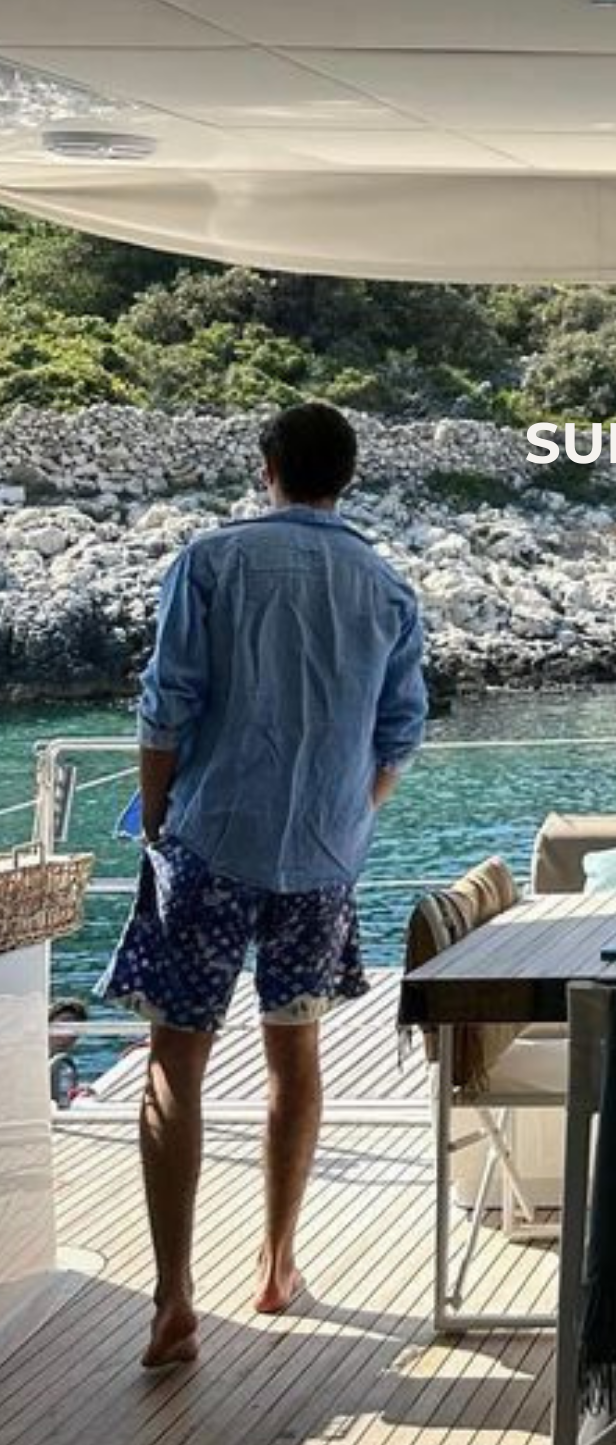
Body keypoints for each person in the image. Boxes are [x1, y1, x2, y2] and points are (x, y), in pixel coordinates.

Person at [98, 402, 427, 1370]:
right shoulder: (386, 581)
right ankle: (277, 1263)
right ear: (347, 477)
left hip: (209, 839)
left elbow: (167, 706)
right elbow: (400, 731)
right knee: (295, 1055)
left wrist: (158, 820)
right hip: (323, 853)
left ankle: (172, 1299)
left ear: (266, 465)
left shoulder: (211, 558)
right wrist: (351, 815)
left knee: (175, 1059)